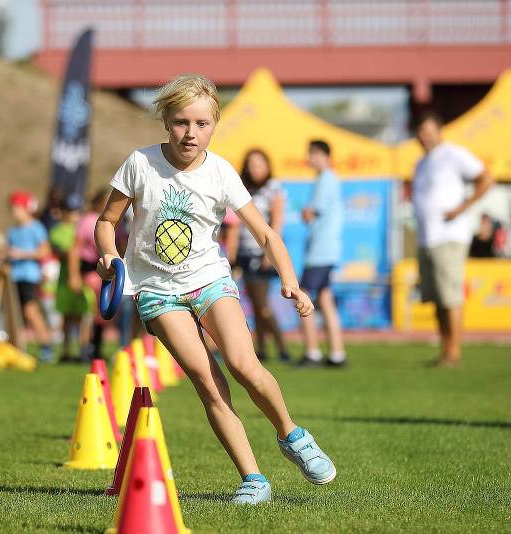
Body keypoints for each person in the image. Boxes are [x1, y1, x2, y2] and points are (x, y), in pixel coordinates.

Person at [95, 74, 336, 505]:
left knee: (245, 364)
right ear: (166, 121)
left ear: (215, 124)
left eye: (202, 123)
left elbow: (264, 233)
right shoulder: (139, 163)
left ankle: (291, 435)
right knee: (208, 381)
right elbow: (107, 222)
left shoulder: (221, 171)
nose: (191, 133)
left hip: (209, 279)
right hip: (156, 291)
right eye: (182, 122)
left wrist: (291, 283)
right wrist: (110, 256)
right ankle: (253, 479)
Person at [411, 111, 495, 367]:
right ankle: (445, 350)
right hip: (428, 238)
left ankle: (454, 353)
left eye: (428, 131)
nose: (424, 136)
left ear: (440, 131)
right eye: (420, 132)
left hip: (449, 237)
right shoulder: (421, 162)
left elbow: (486, 178)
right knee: (436, 298)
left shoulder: (453, 154)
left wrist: (462, 207)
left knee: (450, 296)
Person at [235, 149, 291, 363]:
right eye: (250, 164)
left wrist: (270, 253)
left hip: (261, 254)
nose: (254, 168)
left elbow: (276, 223)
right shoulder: (245, 188)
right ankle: (263, 349)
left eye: (258, 164)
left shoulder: (273, 188)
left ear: (267, 166)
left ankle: (282, 348)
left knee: (262, 305)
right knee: (257, 306)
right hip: (245, 253)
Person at [297, 140, 345, 368]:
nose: (312, 159)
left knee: (302, 296)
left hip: (320, 252)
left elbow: (311, 213)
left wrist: (304, 213)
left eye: (315, 154)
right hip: (325, 250)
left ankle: (312, 352)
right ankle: (337, 353)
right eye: (310, 154)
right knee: (325, 300)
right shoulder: (328, 179)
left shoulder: (326, 179)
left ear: (326, 155)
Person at [7, 191, 53, 363]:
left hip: (30, 276)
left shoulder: (36, 228)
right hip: (14, 276)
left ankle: (46, 346)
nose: (13, 211)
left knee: (30, 311)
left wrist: (23, 254)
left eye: (16, 208)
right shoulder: (12, 231)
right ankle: (19, 348)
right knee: (16, 314)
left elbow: (45, 251)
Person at [49, 193, 94, 363]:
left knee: (85, 314)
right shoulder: (58, 231)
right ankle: (66, 351)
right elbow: (61, 250)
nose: (74, 215)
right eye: (70, 211)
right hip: (65, 280)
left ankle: (83, 350)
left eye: (77, 211)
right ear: (63, 212)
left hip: (84, 278)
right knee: (67, 317)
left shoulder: (82, 228)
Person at [68, 188, 109, 360]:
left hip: (106, 272)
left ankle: (97, 348)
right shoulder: (89, 221)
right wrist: (74, 276)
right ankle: (84, 348)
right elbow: (74, 249)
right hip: (89, 269)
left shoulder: (115, 223)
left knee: (102, 313)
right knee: (88, 310)